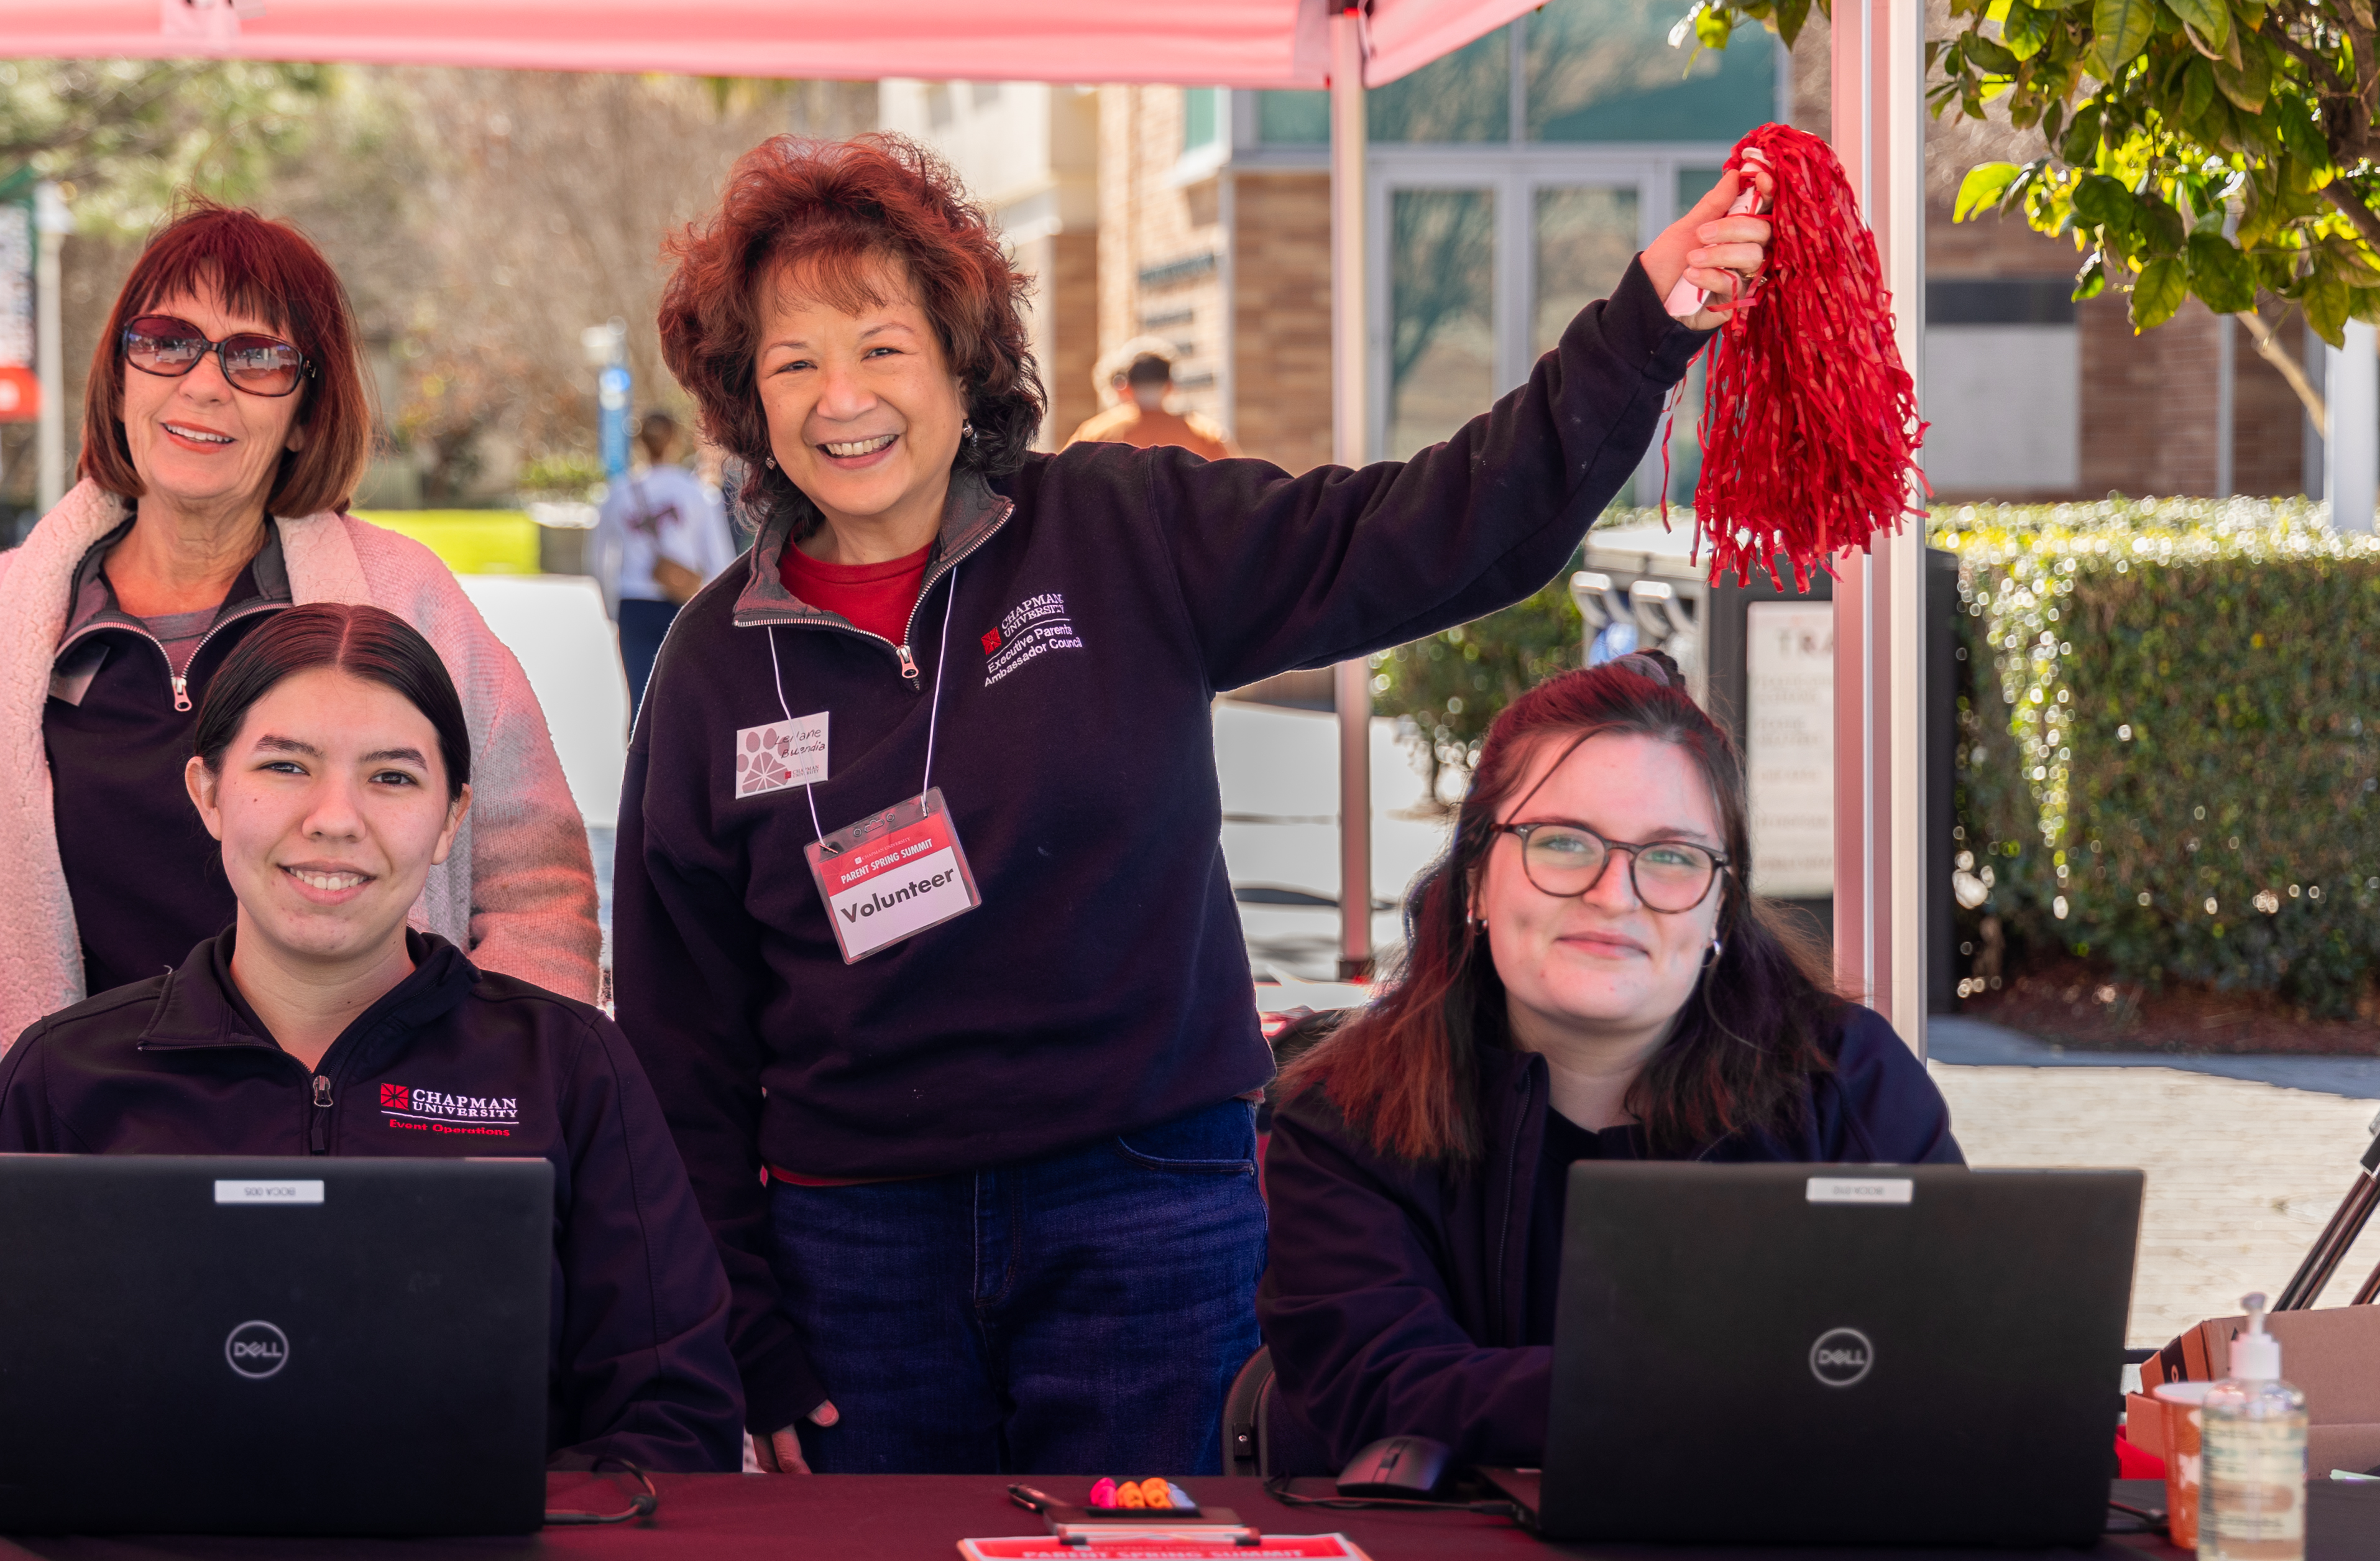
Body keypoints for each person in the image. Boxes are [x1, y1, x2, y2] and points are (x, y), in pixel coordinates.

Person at [615, 132, 1770, 1478]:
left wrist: (1640, 331)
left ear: (958, 362)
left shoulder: (1118, 531)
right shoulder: (713, 660)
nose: (842, 397)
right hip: (856, 1250)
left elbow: (1424, 534)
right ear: (747, 398)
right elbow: (676, 1037)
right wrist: (746, 1327)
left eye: (881, 345)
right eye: (792, 359)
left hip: (1148, 1209)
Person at [0, 606, 743, 1481]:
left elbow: (673, 1419)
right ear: (207, 793)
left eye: (393, 778)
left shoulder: (567, 1065)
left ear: (450, 819)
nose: (333, 818)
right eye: (285, 766)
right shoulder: (60, 1076)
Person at [0, 200, 602, 1184]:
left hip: (381, 1170)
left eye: (255, 356)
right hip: (93, 1177)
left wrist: (480, 1124)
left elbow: (536, 886)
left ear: (307, 409)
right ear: (119, 373)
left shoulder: (405, 603)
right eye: (168, 342)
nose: (204, 385)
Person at [1257, 653, 1962, 1473]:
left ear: (1719, 911)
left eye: (1670, 856)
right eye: (1564, 843)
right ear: (1480, 880)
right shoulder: (1344, 1118)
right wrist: (1735, 1391)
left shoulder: (1846, 1079)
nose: (1615, 893)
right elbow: (1384, 1393)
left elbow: (1945, 1363)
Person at [588, 409, 738, 712]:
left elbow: (597, 559)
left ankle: (636, 759)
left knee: (641, 706)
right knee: (685, 706)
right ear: (675, 442)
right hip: (686, 607)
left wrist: (611, 607)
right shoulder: (698, 494)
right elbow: (721, 564)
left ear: (641, 444)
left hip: (635, 605)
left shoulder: (618, 493)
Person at [1063, 351, 1229, 459]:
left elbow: (1061, 479)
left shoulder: (1094, 433)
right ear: (1171, 387)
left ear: (1126, 387)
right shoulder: (1205, 435)